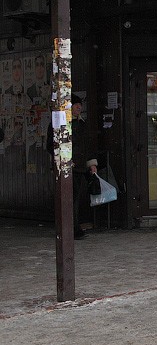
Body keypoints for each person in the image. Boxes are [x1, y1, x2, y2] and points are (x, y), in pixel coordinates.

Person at [46, 94, 98, 239]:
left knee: (74, 198)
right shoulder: (60, 124)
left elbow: (87, 145)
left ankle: (73, 228)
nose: (79, 108)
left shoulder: (81, 124)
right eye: (76, 105)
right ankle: (71, 229)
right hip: (67, 167)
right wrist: (65, 160)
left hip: (79, 167)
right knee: (69, 199)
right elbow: (51, 145)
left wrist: (91, 163)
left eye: (80, 106)